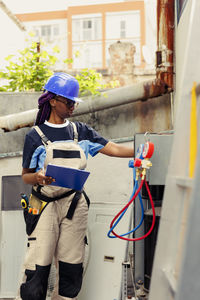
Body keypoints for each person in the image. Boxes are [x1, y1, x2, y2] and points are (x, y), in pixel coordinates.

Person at [18, 72, 134, 300]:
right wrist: (39, 177)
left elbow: (115, 149)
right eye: (69, 102)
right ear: (52, 101)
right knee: (37, 265)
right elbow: (25, 176)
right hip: (42, 205)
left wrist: (145, 146)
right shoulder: (35, 135)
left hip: (74, 205)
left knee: (72, 265)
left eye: (74, 103)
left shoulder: (80, 131)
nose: (72, 106)